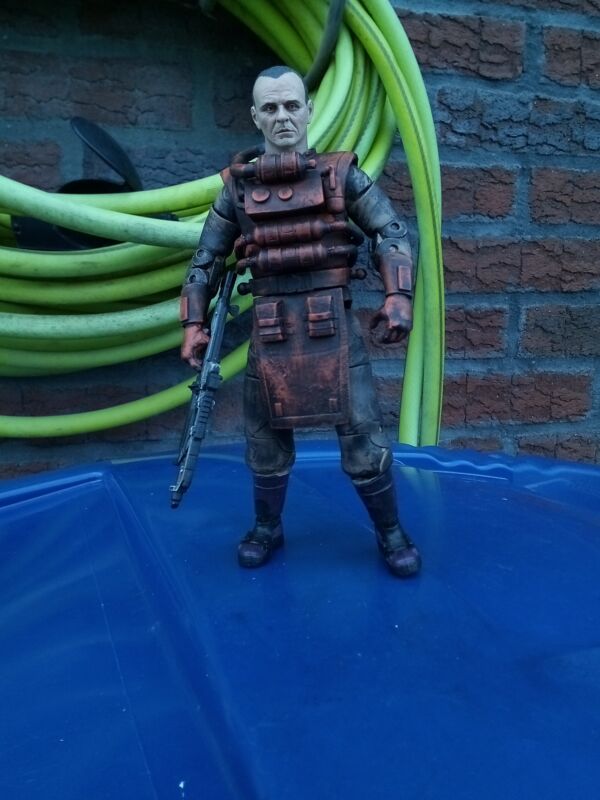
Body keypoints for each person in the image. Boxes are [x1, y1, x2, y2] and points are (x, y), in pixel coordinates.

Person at [180, 66, 421, 577]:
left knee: (364, 438)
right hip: (269, 331)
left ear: (309, 110)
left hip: (336, 328)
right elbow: (206, 260)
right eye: (270, 108)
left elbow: (392, 231)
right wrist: (193, 324)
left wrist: (398, 296)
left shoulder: (341, 175)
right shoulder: (237, 190)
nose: (283, 116)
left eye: (292, 105)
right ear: (255, 117)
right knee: (265, 442)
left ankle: (390, 530)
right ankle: (266, 526)